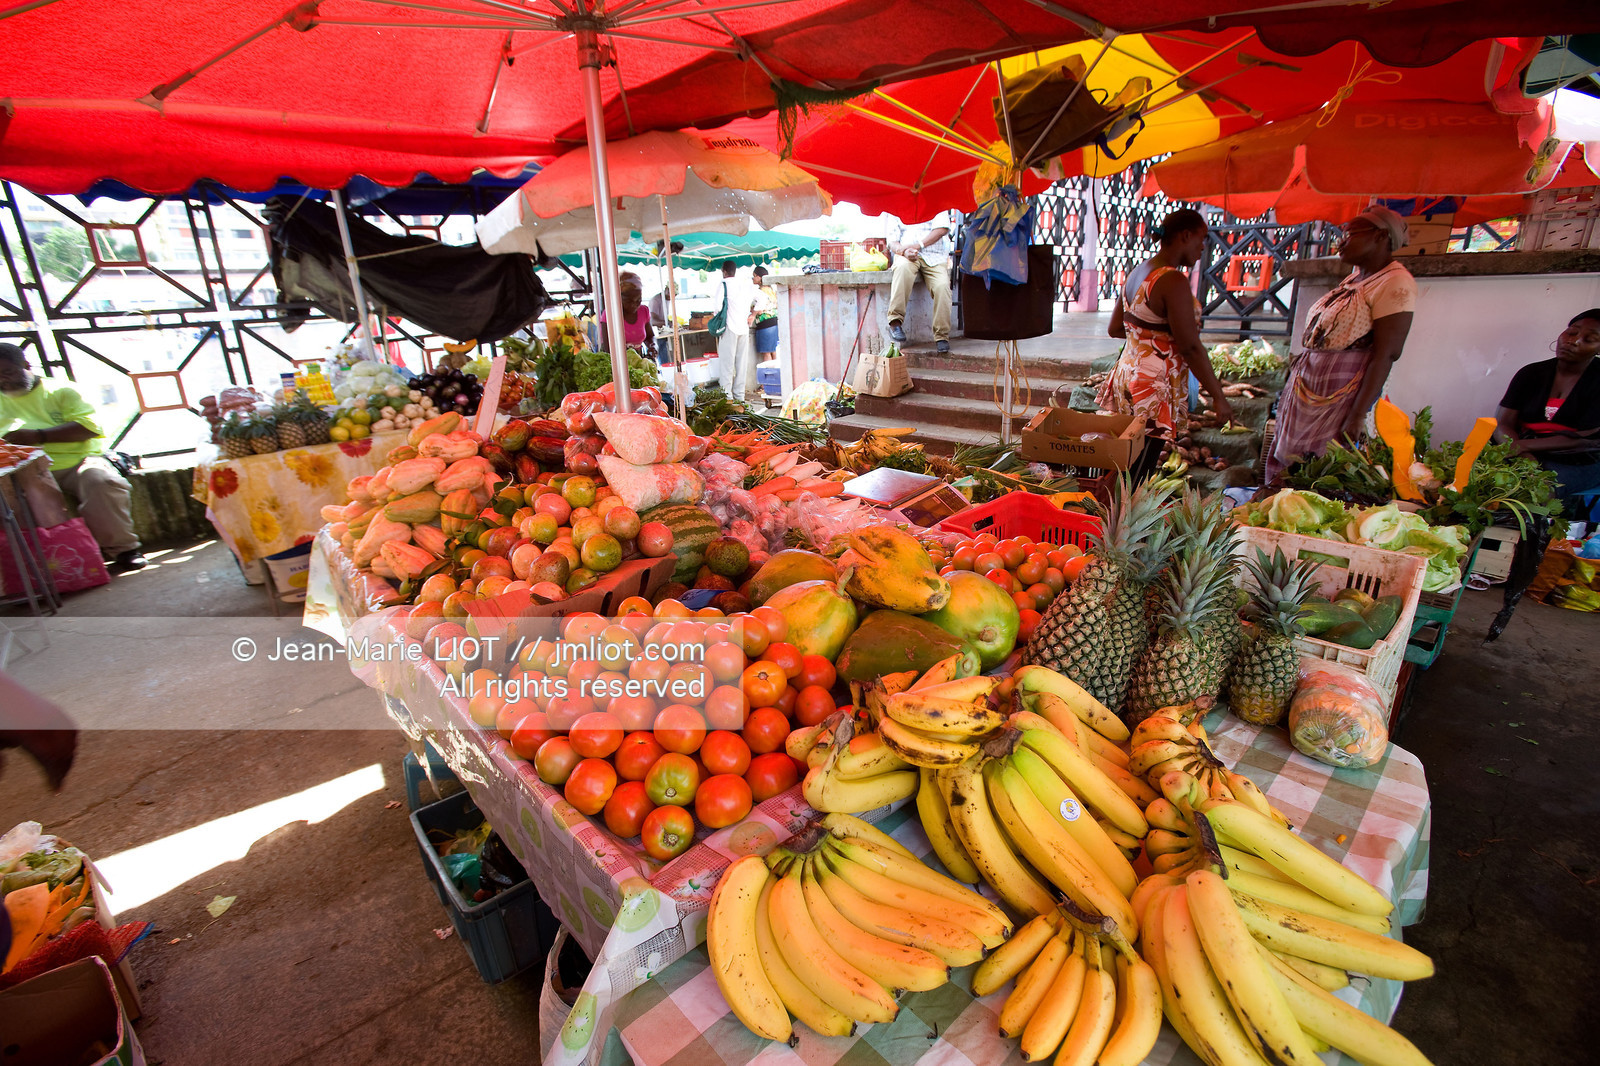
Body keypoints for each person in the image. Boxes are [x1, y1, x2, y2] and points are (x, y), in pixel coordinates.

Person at [1267, 205, 1416, 482]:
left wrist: (1358, 414)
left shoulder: (1395, 283)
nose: (1341, 241)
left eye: (1351, 233)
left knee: (1321, 466)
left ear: (1381, 237)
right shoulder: (1354, 279)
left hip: (1340, 390)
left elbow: (1387, 353)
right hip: (1311, 383)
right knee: (1292, 461)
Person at [0, 343, 145, 571]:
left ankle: (124, 549)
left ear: (26, 365)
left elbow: (89, 427)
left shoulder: (62, 390)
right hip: (22, 470)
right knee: (11, 501)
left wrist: (37, 436)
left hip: (78, 460)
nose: (3, 381)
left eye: (7, 372)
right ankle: (34, 569)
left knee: (99, 482)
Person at [1096, 210, 1234, 440]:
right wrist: (1219, 397)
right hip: (1153, 384)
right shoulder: (1172, 279)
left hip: (1127, 375)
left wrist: (1147, 340)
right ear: (1186, 236)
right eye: (1202, 239)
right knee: (1144, 461)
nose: (1203, 247)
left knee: (1127, 458)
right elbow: (1190, 346)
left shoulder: (1138, 272)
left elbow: (1117, 328)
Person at [1496, 309, 1600, 521]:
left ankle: (1523, 549)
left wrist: (1523, 448)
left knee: (1539, 489)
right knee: (1472, 475)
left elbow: (1585, 440)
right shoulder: (1531, 373)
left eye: (1589, 339)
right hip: (1521, 448)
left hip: (1579, 458)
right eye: (1572, 332)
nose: (1575, 341)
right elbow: (1503, 422)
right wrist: (1522, 453)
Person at [887, 209, 958, 353]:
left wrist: (918, 245)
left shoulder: (936, 198)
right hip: (906, 255)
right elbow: (892, 241)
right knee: (902, 269)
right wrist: (902, 250)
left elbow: (942, 229)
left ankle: (942, 336)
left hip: (934, 255)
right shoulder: (896, 203)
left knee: (942, 286)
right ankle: (895, 322)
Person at [715, 260, 760, 402]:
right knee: (741, 365)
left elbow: (716, 308)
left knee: (727, 365)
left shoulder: (723, 285)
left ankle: (726, 396)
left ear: (724, 271)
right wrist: (752, 315)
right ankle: (739, 396)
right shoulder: (745, 285)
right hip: (743, 329)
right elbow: (763, 298)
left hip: (729, 328)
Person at [598, 271, 654, 355]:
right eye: (629, 300)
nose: (634, 304)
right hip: (616, 360)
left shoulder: (643, 311)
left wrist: (653, 346)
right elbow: (609, 349)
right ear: (618, 298)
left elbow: (650, 336)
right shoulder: (609, 315)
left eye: (639, 300)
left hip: (638, 357)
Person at [752, 265, 779, 362]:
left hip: (765, 324)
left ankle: (768, 375)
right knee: (773, 351)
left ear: (760, 278)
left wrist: (752, 311)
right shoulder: (771, 290)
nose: (753, 278)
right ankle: (777, 374)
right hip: (774, 322)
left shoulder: (760, 292)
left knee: (766, 352)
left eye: (754, 276)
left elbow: (759, 310)